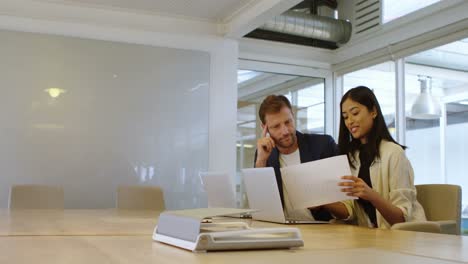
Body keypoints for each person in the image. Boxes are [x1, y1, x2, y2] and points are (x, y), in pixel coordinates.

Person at [323, 86, 426, 228]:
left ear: (373, 111)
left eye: (355, 113)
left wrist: (371, 195)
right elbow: (351, 213)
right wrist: (322, 201)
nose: (350, 121)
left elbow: (401, 219)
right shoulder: (352, 157)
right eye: (345, 117)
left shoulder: (394, 153)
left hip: (403, 238)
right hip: (369, 237)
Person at [254, 95, 338, 221]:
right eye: (276, 126)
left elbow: (345, 201)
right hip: (283, 230)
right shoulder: (265, 154)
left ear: (293, 116)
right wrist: (261, 160)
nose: (285, 131)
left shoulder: (323, 145)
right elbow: (260, 204)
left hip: (323, 228)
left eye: (288, 122)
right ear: (264, 128)